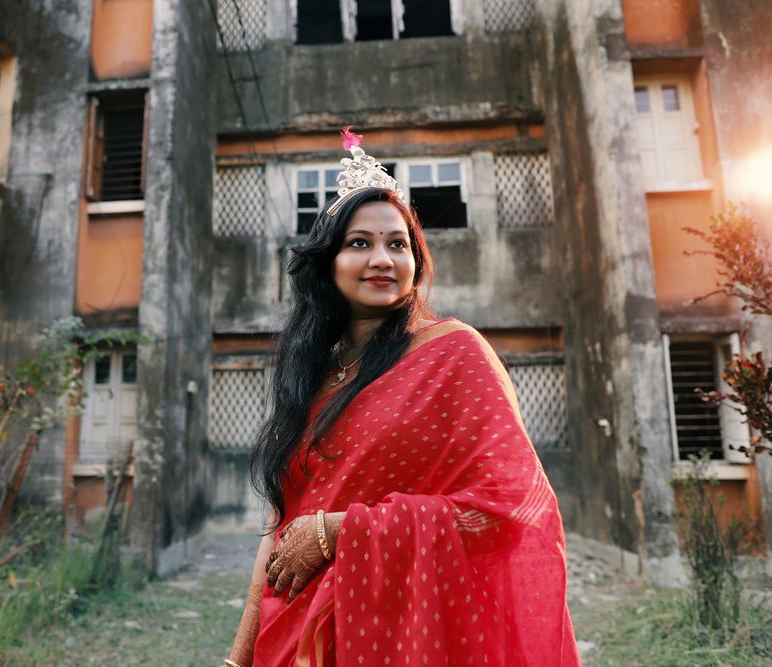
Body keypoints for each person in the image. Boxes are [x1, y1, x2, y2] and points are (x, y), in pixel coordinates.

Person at [223, 128, 580, 667]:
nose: (383, 259)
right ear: (329, 261)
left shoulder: (455, 355)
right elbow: (280, 529)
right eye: (359, 243)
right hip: (295, 632)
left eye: (398, 244)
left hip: (405, 632)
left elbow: (508, 505)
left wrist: (340, 530)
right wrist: (239, 655)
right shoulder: (312, 376)